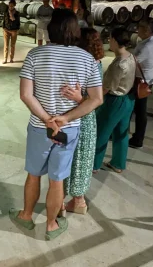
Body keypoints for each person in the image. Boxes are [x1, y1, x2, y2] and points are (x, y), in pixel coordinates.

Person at [11, 9, 103, 240]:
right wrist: (65, 118)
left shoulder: (35, 55)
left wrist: (46, 119)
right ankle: (51, 225)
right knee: (57, 178)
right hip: (69, 130)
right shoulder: (87, 59)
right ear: (74, 31)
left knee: (33, 175)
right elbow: (97, 99)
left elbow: (26, 95)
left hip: (39, 127)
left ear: (52, 28)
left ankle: (26, 215)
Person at [61, 28, 104, 214]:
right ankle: (74, 201)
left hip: (83, 117)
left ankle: (74, 201)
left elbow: (96, 100)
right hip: (79, 117)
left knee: (77, 159)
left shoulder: (92, 65)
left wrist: (79, 98)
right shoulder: (92, 63)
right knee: (76, 158)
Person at [93, 27, 136, 174]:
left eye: (110, 38)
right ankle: (118, 163)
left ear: (115, 41)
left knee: (101, 132)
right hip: (128, 99)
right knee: (121, 133)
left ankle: (93, 165)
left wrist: (93, 102)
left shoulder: (118, 64)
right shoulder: (130, 56)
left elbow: (107, 88)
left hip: (115, 101)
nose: (108, 41)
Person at [129, 18, 153, 149]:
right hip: (146, 80)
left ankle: (137, 138)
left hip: (140, 82)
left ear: (147, 31)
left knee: (138, 110)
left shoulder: (147, 46)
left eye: (141, 26)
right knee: (135, 109)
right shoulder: (150, 42)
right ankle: (133, 136)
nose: (138, 28)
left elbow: (132, 62)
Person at [2, 0, 20, 64]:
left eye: (12, 6)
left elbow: (18, 22)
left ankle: (11, 58)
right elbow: (4, 21)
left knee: (12, 45)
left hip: (14, 31)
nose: (10, 7)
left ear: (14, 6)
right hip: (6, 30)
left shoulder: (17, 13)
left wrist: (17, 29)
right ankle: (5, 59)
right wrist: (4, 28)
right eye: (9, 6)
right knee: (6, 45)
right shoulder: (6, 13)